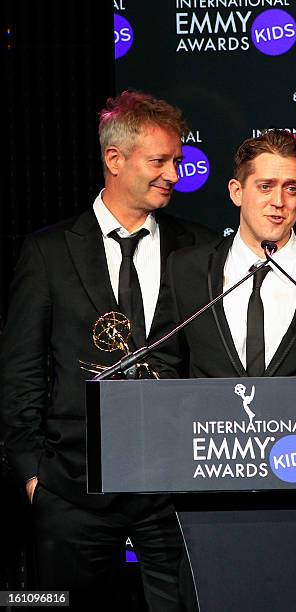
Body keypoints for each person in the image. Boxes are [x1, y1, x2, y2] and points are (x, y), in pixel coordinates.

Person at [151, 129, 296, 610]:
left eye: (292, 187)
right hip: (209, 488)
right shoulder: (186, 269)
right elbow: (162, 363)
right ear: (237, 192)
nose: (278, 202)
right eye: (265, 186)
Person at [0, 90, 215, 610]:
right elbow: (23, 370)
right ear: (114, 160)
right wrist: (34, 476)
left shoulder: (202, 247)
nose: (173, 174)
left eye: (177, 161)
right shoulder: (49, 251)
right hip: (73, 489)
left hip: (174, 488)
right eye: (159, 161)